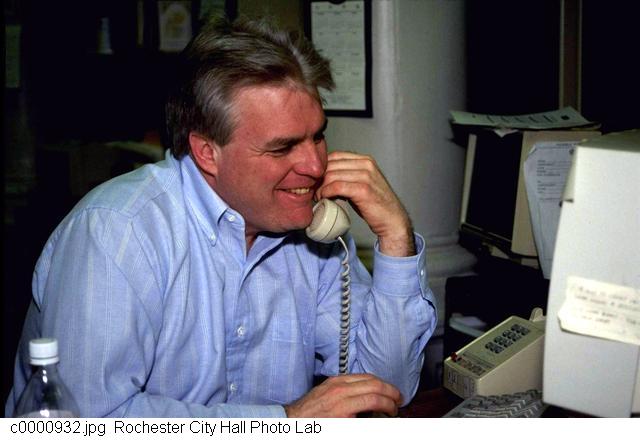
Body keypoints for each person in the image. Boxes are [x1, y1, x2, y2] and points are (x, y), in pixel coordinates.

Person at [6, 17, 436, 418]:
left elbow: (386, 391)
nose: (314, 165)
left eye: (318, 136)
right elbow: (86, 424)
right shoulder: (117, 233)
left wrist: (395, 237)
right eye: (283, 147)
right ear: (207, 153)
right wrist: (283, 422)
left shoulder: (312, 234)